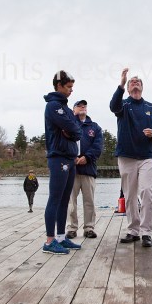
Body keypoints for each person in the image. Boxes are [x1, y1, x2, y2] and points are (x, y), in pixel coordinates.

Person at [111, 68, 152, 248]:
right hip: (126, 156)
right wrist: (121, 83)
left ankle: (146, 232)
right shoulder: (123, 106)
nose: (135, 83)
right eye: (131, 82)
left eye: (138, 82)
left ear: (142, 87)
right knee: (130, 195)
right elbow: (113, 106)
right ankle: (133, 230)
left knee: (148, 192)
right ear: (127, 88)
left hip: (146, 156)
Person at [41, 70, 83, 254]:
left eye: (72, 87)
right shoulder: (53, 106)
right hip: (58, 157)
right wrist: (72, 130)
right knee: (55, 198)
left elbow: (77, 130)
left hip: (70, 158)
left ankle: (61, 237)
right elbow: (70, 126)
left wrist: (73, 131)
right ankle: (49, 241)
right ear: (59, 86)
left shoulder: (65, 108)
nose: (71, 90)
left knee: (65, 200)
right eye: (68, 87)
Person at [65, 100, 104, 240]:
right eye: (79, 106)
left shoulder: (95, 127)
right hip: (71, 169)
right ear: (73, 109)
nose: (82, 107)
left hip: (88, 169)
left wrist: (87, 157)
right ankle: (71, 228)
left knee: (89, 201)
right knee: (70, 201)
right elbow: (63, 143)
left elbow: (98, 146)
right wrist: (71, 157)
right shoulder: (68, 125)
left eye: (84, 106)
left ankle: (89, 228)